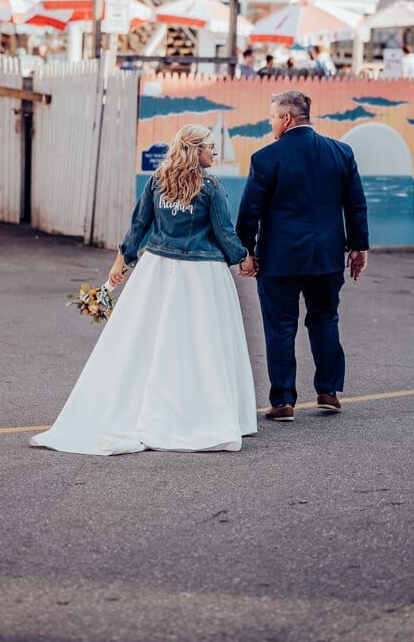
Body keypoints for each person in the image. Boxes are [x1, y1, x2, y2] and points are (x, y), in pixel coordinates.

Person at [31, 124, 258, 456]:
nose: (215, 151)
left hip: (156, 269)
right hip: (201, 275)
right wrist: (244, 259)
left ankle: (146, 405)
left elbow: (139, 224)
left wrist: (120, 263)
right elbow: (225, 232)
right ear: (195, 150)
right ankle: (201, 409)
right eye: (210, 146)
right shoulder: (211, 187)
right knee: (201, 343)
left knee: (149, 339)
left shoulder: (158, 181)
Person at [236, 90, 369, 422]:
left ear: (286, 118)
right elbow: (355, 204)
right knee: (325, 320)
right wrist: (358, 246)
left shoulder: (266, 158)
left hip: (279, 259)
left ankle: (283, 402)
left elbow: (250, 210)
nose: (270, 123)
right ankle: (328, 391)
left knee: (280, 327)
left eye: (271, 117)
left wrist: (246, 252)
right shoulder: (341, 152)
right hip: (325, 257)